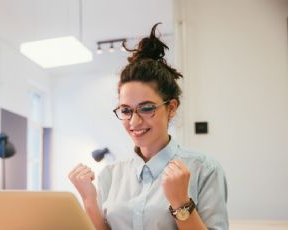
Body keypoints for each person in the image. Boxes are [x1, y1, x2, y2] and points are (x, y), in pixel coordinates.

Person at [68, 23, 228, 230]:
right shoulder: (110, 174)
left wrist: (181, 202)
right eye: (126, 110)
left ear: (171, 108)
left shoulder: (204, 169)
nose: (134, 122)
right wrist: (89, 199)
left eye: (146, 108)